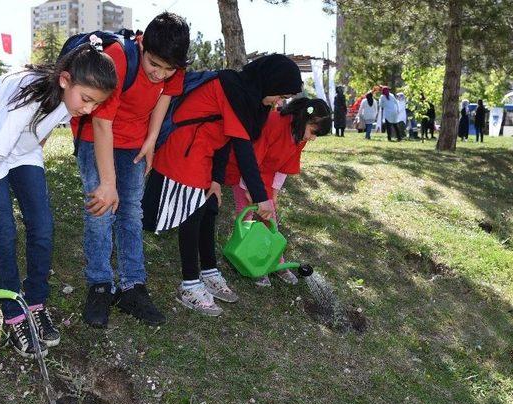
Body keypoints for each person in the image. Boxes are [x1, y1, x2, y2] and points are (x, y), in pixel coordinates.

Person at [0, 44, 117, 358]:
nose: (88, 110)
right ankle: (13, 314)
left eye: (96, 104)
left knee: (42, 225)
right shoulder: (26, 97)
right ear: (65, 80)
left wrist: (31, 152)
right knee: (3, 230)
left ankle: (35, 301)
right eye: (86, 99)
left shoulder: (70, 98)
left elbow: (40, 130)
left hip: (22, 146)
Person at [142, 54, 303, 316]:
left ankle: (209, 272)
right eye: (281, 95)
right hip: (184, 148)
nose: (280, 102)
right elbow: (242, 150)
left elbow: (224, 139)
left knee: (209, 208)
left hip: (204, 151)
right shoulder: (232, 88)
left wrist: (216, 180)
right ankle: (190, 285)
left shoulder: (248, 97)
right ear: (270, 82)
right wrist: (262, 198)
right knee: (192, 213)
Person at [72, 13, 190, 329]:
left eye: (169, 69)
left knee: (131, 212)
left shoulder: (171, 68)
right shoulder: (119, 58)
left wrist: (151, 142)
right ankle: (100, 285)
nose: (160, 74)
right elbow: (100, 123)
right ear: (142, 44)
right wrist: (108, 183)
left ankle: (132, 286)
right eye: (155, 64)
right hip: (96, 137)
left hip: (133, 143)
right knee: (101, 209)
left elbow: (165, 99)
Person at [227, 97, 332, 287]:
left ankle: (276, 263)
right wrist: (252, 190)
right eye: (313, 132)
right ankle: (250, 260)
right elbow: (250, 158)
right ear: (304, 119)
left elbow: (286, 166)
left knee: (270, 218)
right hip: (245, 172)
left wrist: (273, 193)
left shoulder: (300, 134)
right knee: (246, 214)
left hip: (265, 175)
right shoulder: (274, 123)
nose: (313, 138)